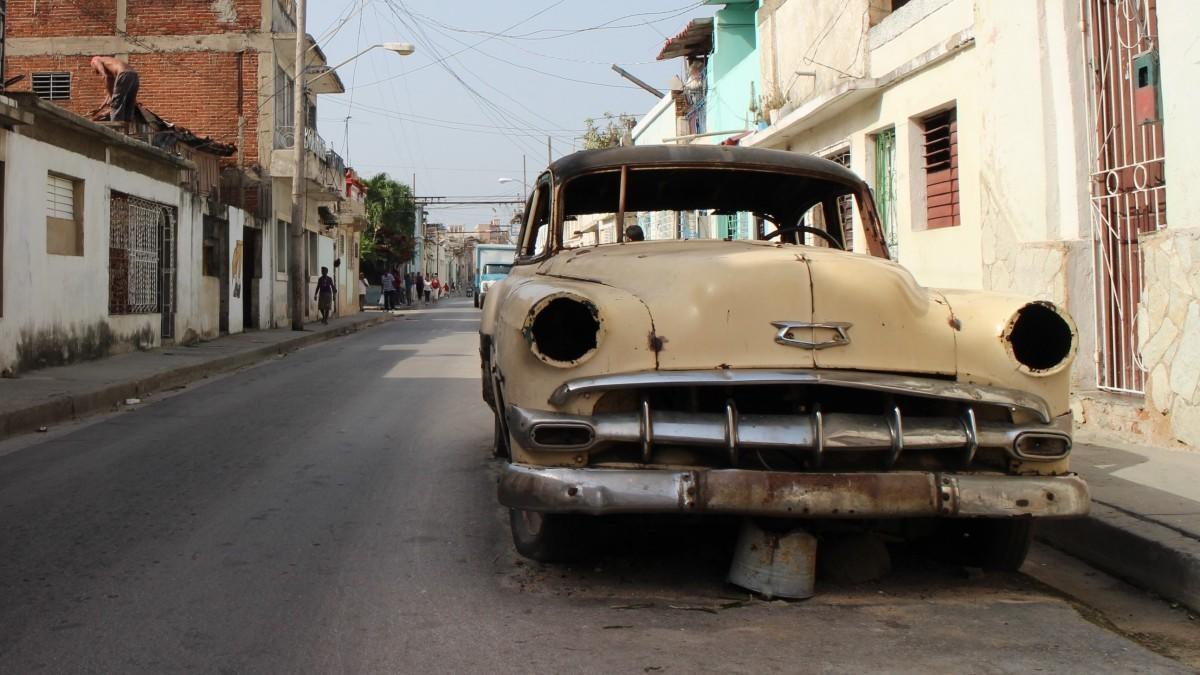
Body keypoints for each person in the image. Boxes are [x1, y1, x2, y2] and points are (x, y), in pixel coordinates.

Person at [90, 56, 139, 124]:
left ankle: (116, 130)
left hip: (123, 73)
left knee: (116, 105)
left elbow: (104, 76)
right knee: (128, 106)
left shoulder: (96, 60)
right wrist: (100, 108)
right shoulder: (111, 66)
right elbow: (113, 91)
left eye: (92, 68)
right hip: (134, 75)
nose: (95, 72)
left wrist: (112, 99)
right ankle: (125, 133)